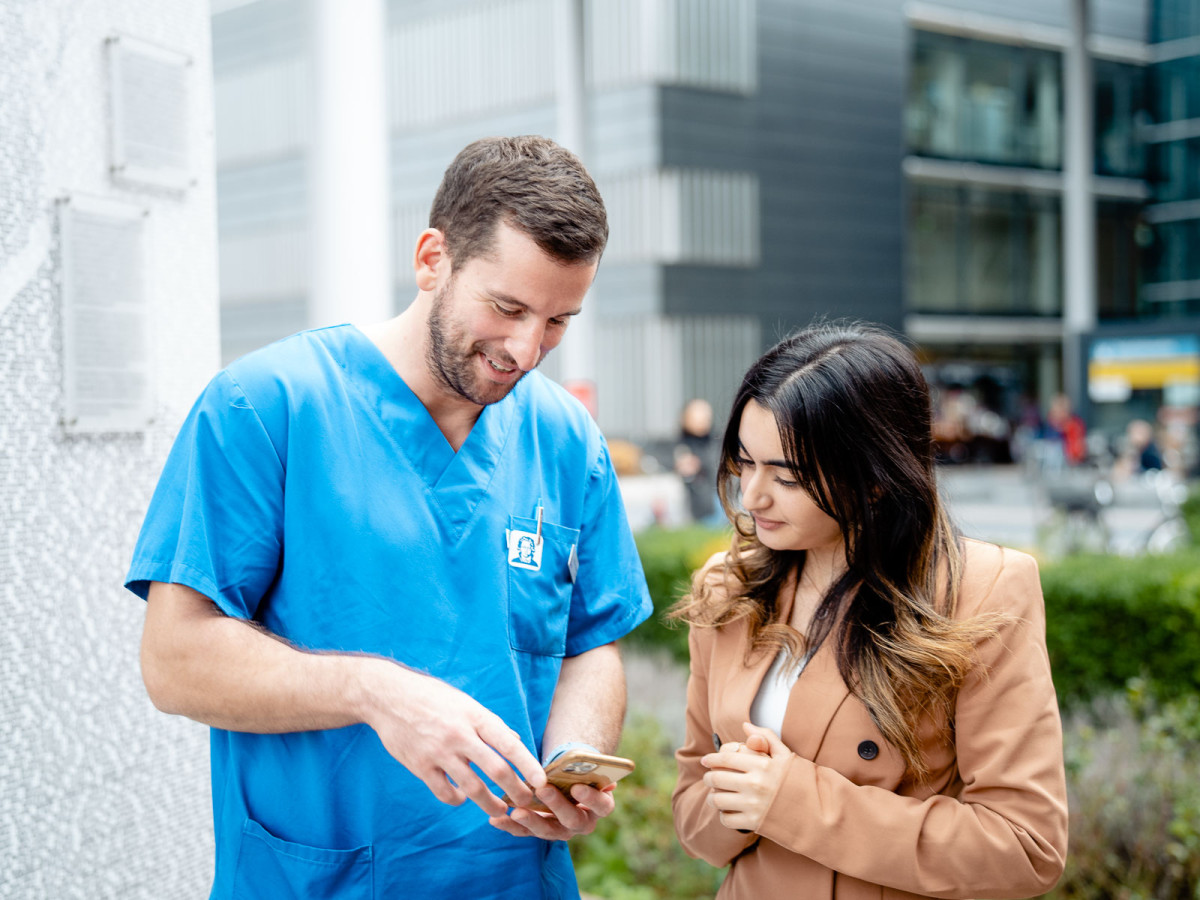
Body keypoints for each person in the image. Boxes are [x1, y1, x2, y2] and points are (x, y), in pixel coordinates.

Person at [126, 136, 653, 900]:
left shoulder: (566, 440)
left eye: (558, 322)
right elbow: (172, 662)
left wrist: (575, 756)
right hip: (318, 879)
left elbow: (588, 645)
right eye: (506, 307)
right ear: (433, 258)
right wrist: (374, 692)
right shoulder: (265, 408)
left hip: (514, 881)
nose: (526, 349)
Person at [671, 323, 1068, 899]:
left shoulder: (982, 591)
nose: (752, 496)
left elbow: (1025, 846)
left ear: (875, 477)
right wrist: (735, 800)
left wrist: (792, 802)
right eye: (743, 462)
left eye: (786, 476)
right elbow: (694, 824)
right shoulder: (729, 587)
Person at [674, 398, 721, 524]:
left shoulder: (716, 442)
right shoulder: (679, 445)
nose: (704, 420)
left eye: (706, 416)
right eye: (699, 416)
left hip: (717, 503)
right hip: (693, 508)